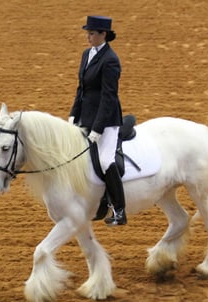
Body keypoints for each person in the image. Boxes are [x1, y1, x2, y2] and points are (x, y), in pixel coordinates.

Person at [69, 15, 127, 226]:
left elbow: (108, 97)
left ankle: (119, 209)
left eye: (92, 33)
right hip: (86, 116)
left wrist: (98, 128)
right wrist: (73, 115)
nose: (88, 37)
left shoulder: (111, 60)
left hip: (107, 119)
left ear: (104, 34)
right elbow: (81, 88)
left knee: (104, 160)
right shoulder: (87, 54)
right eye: (87, 33)